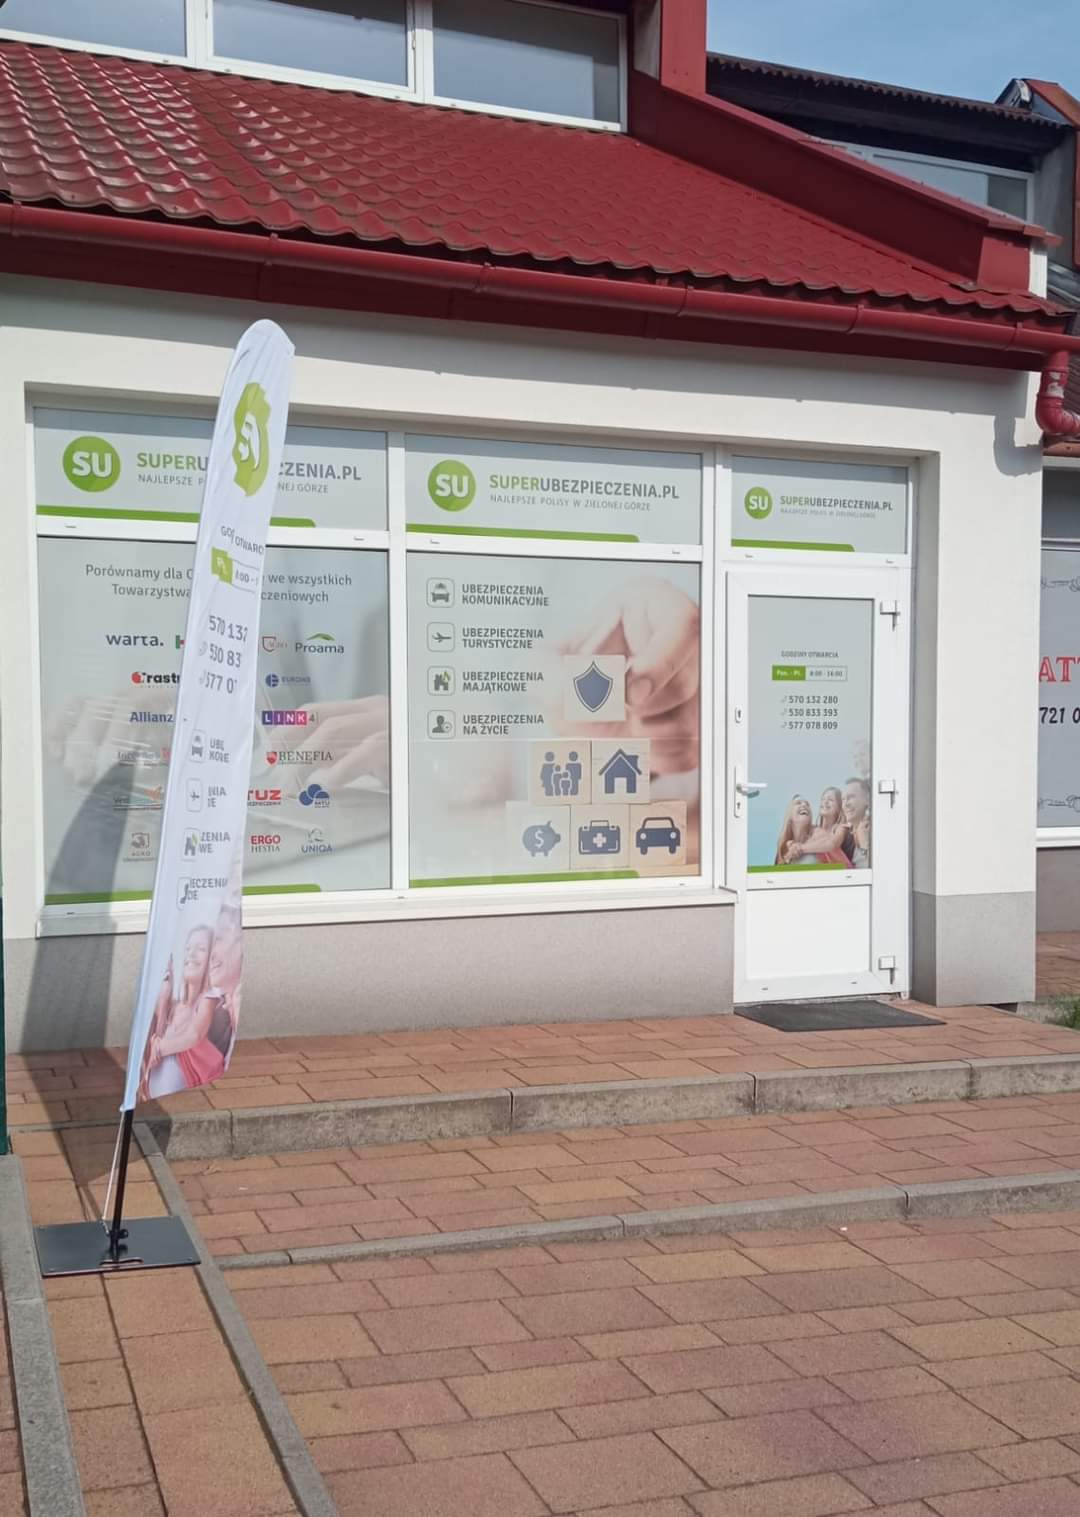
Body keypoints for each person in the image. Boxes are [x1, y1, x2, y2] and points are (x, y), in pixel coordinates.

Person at [137, 924, 226, 1100]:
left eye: (201, 949)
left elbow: (193, 1035)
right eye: (188, 948)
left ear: (211, 959)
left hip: (185, 1084)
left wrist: (159, 1048)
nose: (191, 954)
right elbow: (156, 1035)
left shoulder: (207, 998)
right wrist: (163, 999)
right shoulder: (174, 1006)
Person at [843, 776, 872, 868]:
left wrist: (863, 843)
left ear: (867, 801)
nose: (845, 804)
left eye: (851, 797)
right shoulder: (847, 836)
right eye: (843, 799)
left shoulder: (875, 832)